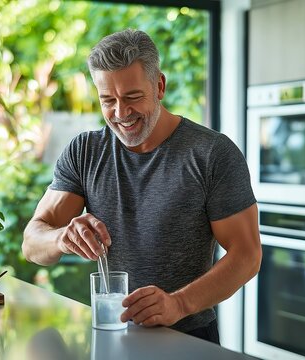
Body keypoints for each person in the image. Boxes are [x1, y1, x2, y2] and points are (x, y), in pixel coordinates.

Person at [22, 29, 261, 344]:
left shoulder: (211, 153)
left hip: (189, 340)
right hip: (109, 335)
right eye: (108, 100)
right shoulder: (85, 152)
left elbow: (247, 254)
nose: (121, 113)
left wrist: (179, 303)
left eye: (133, 97)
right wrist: (61, 238)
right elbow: (32, 244)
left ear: (159, 86)